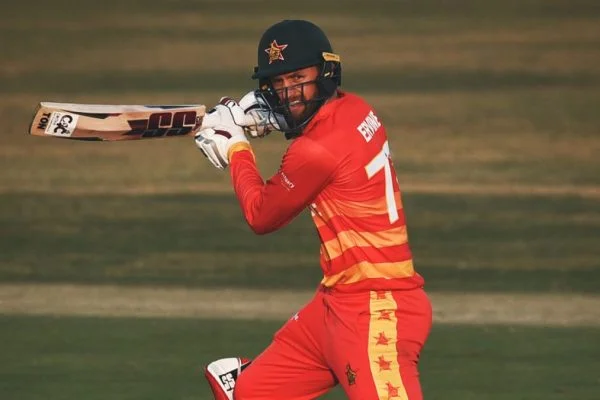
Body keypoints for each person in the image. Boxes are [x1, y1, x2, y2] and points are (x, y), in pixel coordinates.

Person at [195, 19, 432, 400]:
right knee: (250, 394)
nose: (289, 93)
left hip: (376, 311)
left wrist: (236, 147)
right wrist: (272, 118)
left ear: (325, 73)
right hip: (333, 307)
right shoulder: (357, 108)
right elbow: (317, 124)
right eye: (278, 84)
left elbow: (261, 215)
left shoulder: (315, 151)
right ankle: (243, 378)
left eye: (298, 79)